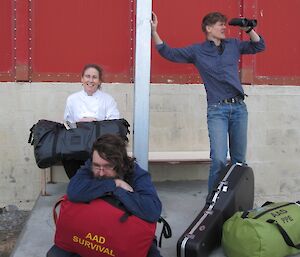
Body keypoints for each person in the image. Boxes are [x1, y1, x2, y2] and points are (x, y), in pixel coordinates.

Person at [151, 12, 265, 192]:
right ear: (208, 28)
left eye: (224, 24)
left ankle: (236, 202)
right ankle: (212, 204)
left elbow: (259, 46)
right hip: (217, 110)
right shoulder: (197, 51)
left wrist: (249, 29)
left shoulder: (234, 45)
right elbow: (169, 52)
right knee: (219, 159)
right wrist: (154, 31)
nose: (224, 27)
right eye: (220, 24)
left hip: (239, 109)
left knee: (239, 161)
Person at [47, 134, 163, 257]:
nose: (101, 172)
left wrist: (119, 192)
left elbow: (152, 211)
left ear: (121, 164)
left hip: (125, 235)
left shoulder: (137, 174)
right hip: (90, 229)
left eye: (107, 166)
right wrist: (114, 184)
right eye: (97, 166)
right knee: (54, 254)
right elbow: (73, 191)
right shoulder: (90, 166)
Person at [62, 64, 120, 178]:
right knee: (67, 155)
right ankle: (78, 183)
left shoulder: (108, 99)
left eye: (94, 77)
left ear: (99, 81)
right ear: (82, 79)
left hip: (100, 143)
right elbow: (67, 124)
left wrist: (95, 122)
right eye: (87, 76)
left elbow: (115, 123)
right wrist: (81, 122)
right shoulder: (72, 99)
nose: (90, 80)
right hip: (78, 142)